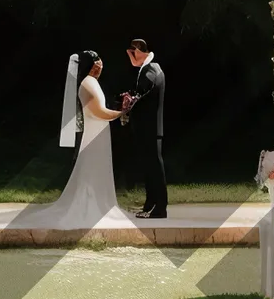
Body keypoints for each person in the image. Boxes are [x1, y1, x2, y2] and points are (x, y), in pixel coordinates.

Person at [13, 50, 132, 229]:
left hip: (99, 133)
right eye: (97, 60)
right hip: (95, 135)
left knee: (99, 167)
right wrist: (122, 113)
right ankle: (92, 205)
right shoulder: (87, 84)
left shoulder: (92, 82)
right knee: (92, 168)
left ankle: (101, 203)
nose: (101, 63)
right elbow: (98, 111)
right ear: (92, 64)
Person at [124, 38, 167, 219]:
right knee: (150, 168)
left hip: (149, 129)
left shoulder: (151, 70)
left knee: (154, 169)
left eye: (132, 53)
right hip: (149, 129)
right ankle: (150, 204)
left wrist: (131, 101)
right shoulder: (150, 69)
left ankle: (160, 208)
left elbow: (145, 92)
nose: (130, 57)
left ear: (139, 51)